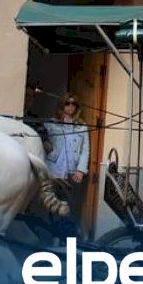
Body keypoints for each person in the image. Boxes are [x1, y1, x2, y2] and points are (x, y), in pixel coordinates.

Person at [44, 94, 90, 238]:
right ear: (62, 105)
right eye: (67, 103)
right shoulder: (51, 124)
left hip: (72, 172)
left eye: (73, 104)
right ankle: (54, 240)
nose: (70, 106)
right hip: (54, 171)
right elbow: (41, 140)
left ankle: (67, 242)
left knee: (69, 208)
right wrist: (46, 145)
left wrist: (81, 170)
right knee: (53, 207)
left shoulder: (82, 126)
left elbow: (85, 150)